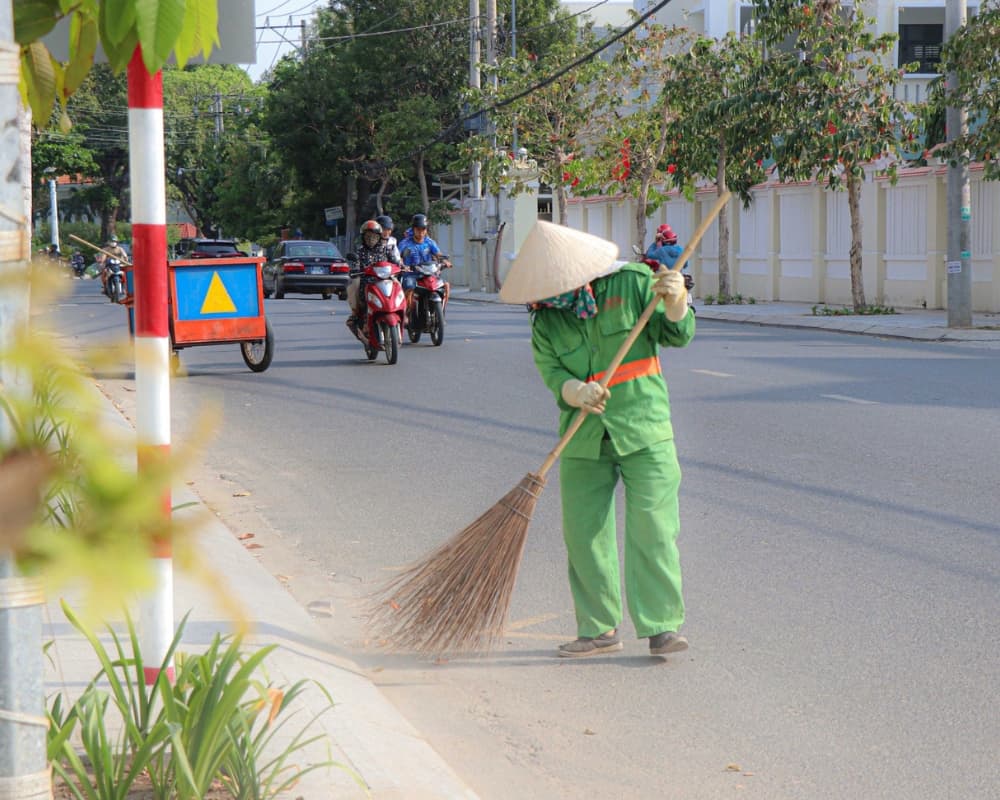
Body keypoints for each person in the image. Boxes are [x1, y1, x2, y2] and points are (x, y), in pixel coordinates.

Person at [499, 221, 694, 658]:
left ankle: (663, 625)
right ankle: (598, 629)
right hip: (582, 437)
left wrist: (678, 300)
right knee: (584, 533)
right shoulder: (546, 319)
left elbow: (677, 334)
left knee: (655, 529)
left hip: (644, 427)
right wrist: (575, 391)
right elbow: (552, 373)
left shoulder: (631, 284)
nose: (548, 295)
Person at [346, 220, 400, 334]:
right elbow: (355, 264)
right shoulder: (360, 251)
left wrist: (402, 266)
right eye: (368, 236)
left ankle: (400, 310)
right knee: (358, 288)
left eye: (374, 236)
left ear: (379, 237)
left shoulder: (385, 249)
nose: (371, 239)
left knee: (398, 285)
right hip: (367, 280)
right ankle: (361, 317)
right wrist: (355, 269)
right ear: (363, 237)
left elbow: (395, 261)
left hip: (385, 279)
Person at [398, 213, 451, 314]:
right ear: (413, 229)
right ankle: (407, 313)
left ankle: (441, 311)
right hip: (412, 274)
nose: (421, 232)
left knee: (445, 285)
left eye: (423, 229)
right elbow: (398, 256)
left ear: (426, 230)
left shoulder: (429, 242)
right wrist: (402, 265)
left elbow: (438, 254)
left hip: (429, 274)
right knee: (409, 287)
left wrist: (445, 261)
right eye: (418, 229)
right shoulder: (405, 243)